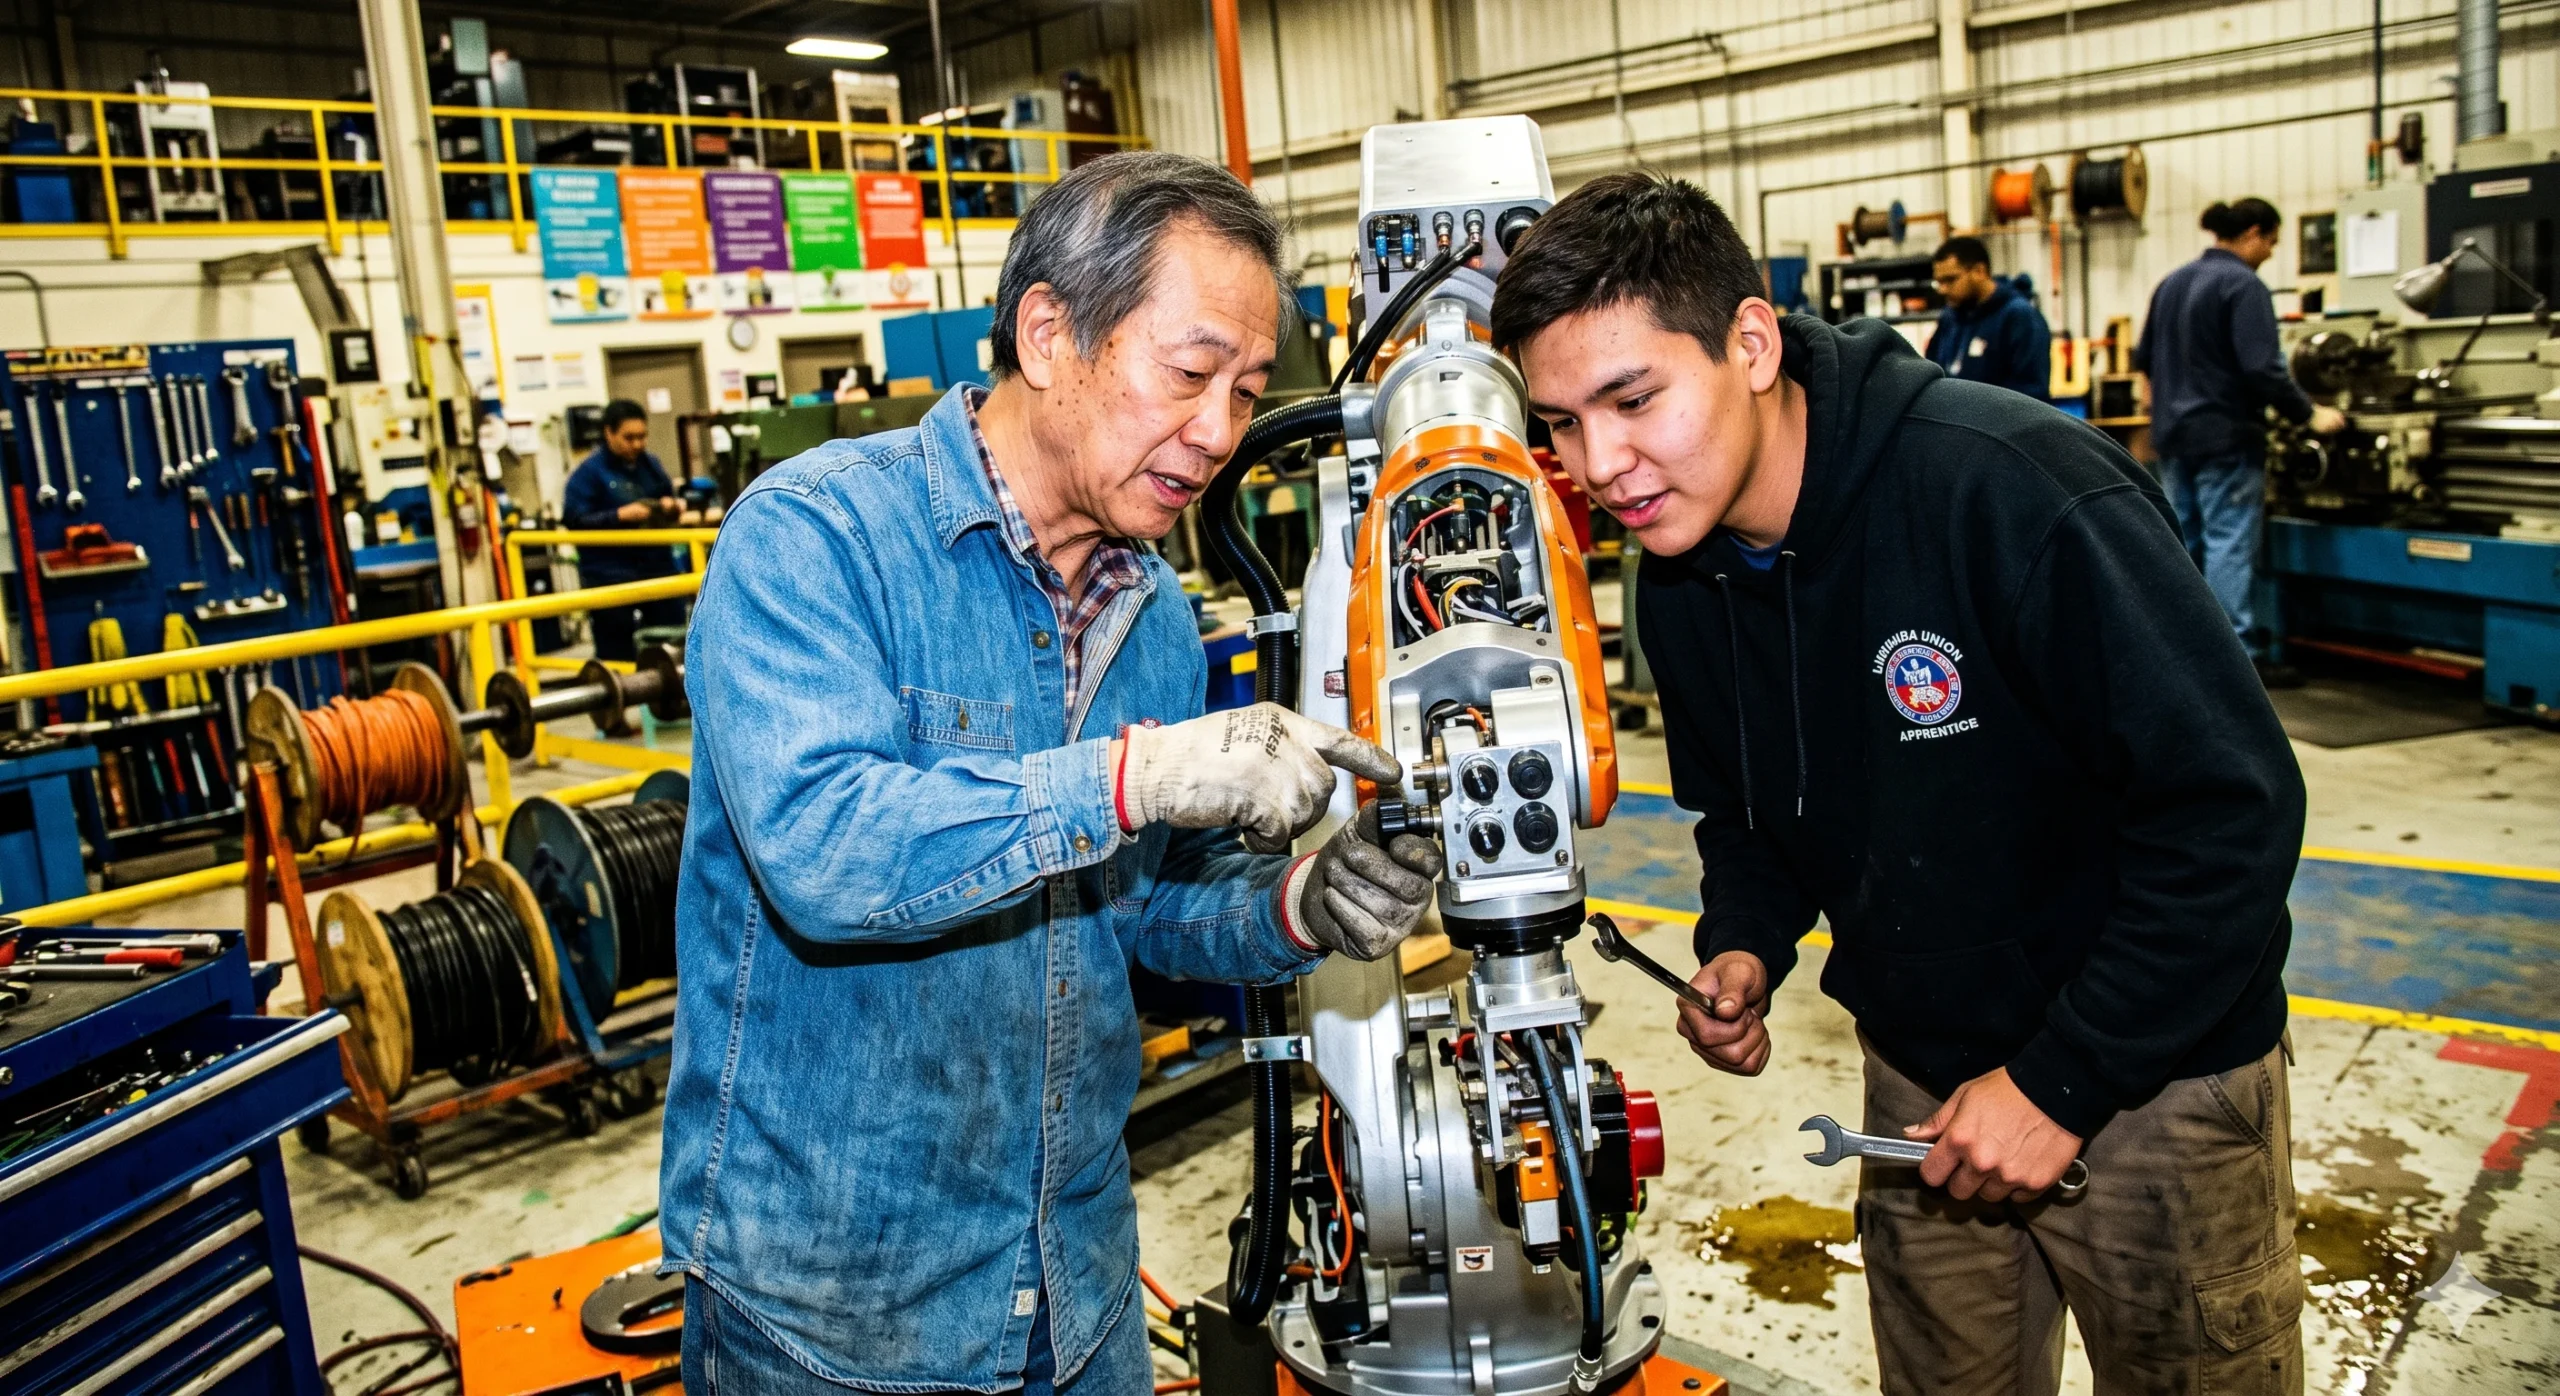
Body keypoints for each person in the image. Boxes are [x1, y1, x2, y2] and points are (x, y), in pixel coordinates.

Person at [1492, 173, 2308, 1395]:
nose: (1597, 463)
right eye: (1558, 422)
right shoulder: (1676, 574)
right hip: (1918, 1088)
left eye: (1632, 398)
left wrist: (2058, 1081)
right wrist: (1748, 943)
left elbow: (2233, 811)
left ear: (1751, 343)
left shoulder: (2010, 487)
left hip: (2155, 1083)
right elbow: (1748, 816)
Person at [659, 152, 1442, 1395]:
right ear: (1046, 332)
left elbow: (1140, 906)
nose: (1220, 433)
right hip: (838, 1311)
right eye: (1189, 375)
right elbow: (824, 852)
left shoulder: (1155, 620)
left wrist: (1301, 903)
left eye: (1245, 392)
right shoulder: (813, 539)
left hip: (1074, 1286)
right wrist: (1130, 776)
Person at [2135, 198, 2347, 674]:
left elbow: (2144, 361)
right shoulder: (2243, 285)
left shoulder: (2173, 282)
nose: (2270, 253)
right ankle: (2238, 660)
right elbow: (2263, 368)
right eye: (2271, 242)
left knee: (2183, 542)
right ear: (2253, 233)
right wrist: (2309, 414)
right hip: (2226, 435)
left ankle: (2184, 651)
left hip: (2173, 435)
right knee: (2229, 541)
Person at [561, 399, 690, 661]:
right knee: (616, 651)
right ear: (608, 433)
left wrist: (670, 506)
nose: (637, 444)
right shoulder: (589, 473)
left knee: (672, 642)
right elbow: (574, 519)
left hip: (656, 567)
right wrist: (618, 515)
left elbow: (667, 495)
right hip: (610, 573)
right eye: (628, 437)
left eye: (642, 437)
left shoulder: (650, 465)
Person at [1924, 235, 2052, 401]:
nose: (1942, 290)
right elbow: (1932, 371)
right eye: (1939, 282)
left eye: (1950, 280)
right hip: (1954, 424)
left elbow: (2031, 391)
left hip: (2001, 425)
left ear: (1979, 271)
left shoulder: (2019, 316)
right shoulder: (1950, 318)